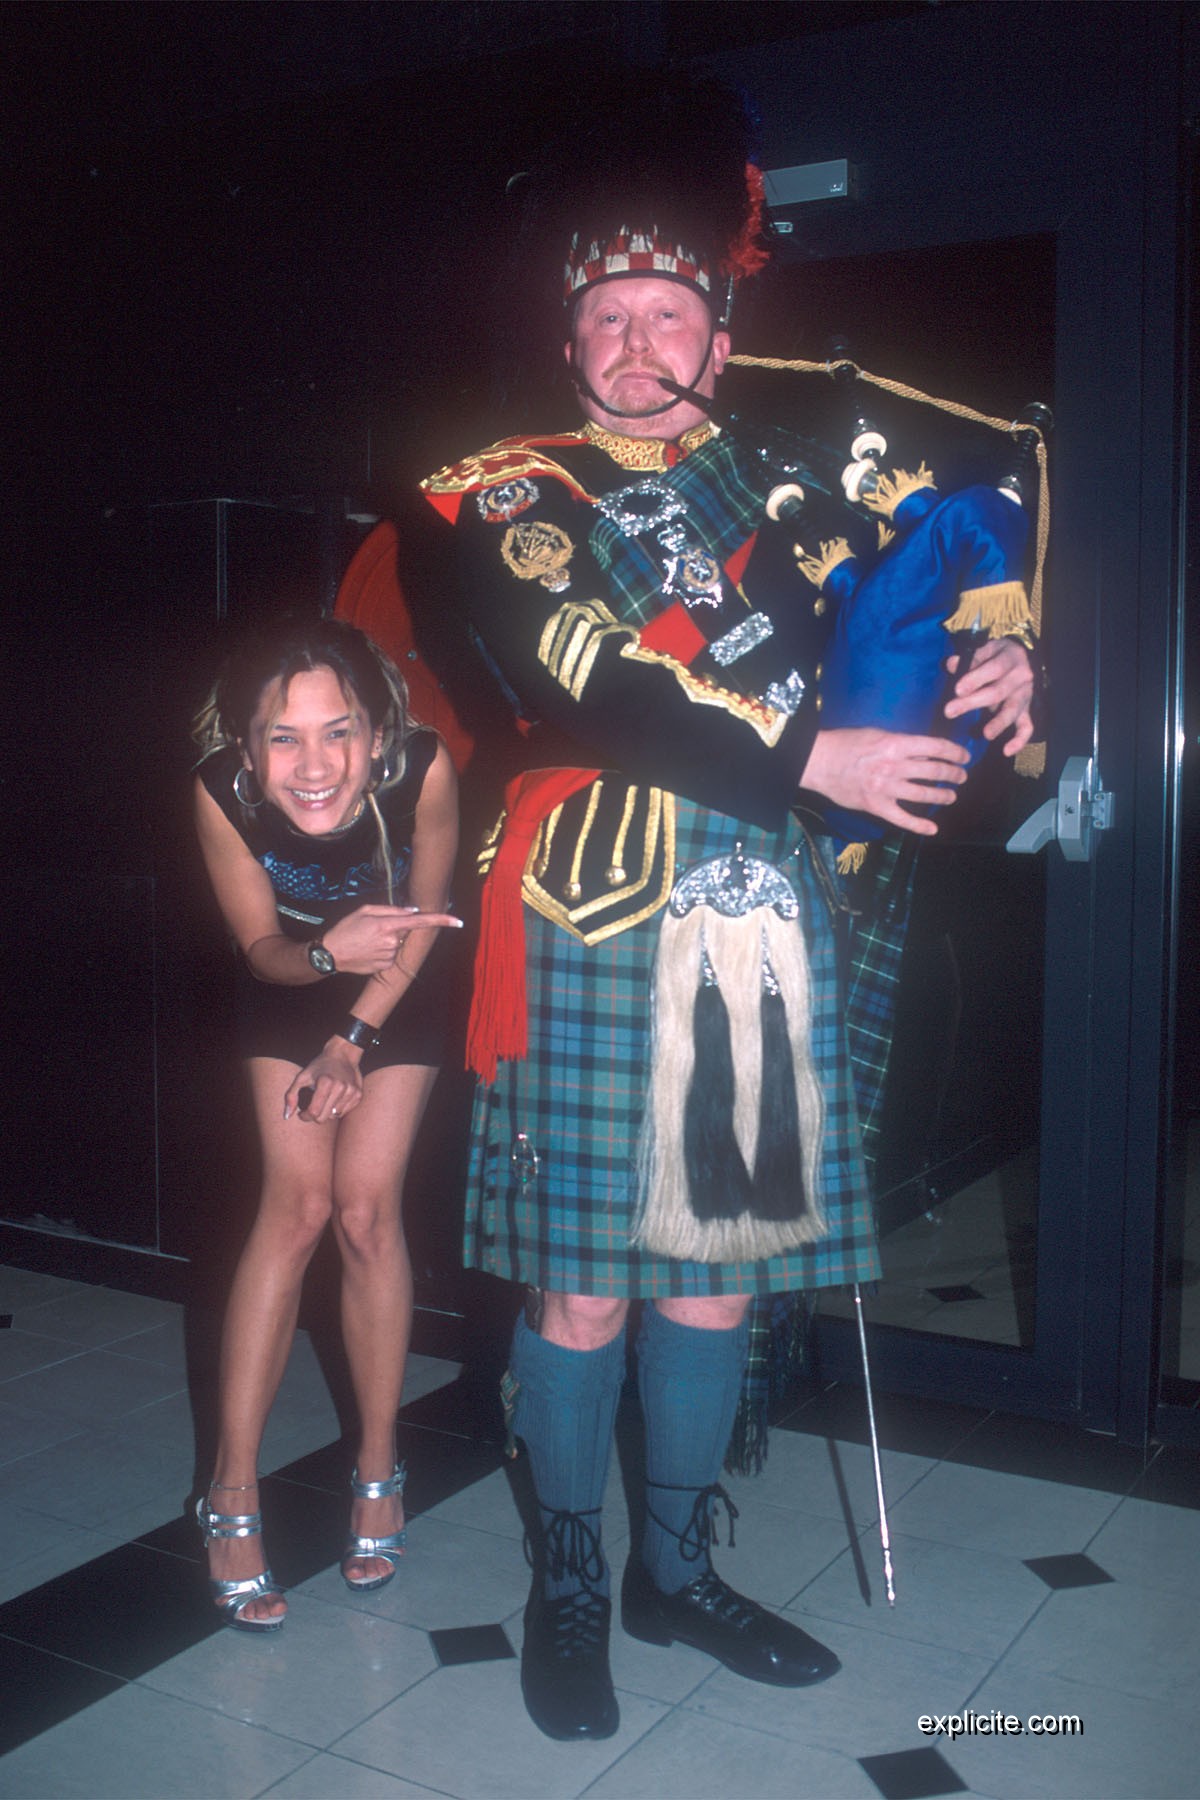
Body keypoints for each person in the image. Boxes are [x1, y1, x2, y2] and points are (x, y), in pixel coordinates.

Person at [421, 112, 1036, 1740]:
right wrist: (811, 755)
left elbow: (920, 597)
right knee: (583, 1288)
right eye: (605, 318)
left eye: (668, 314)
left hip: (757, 917)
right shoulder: (502, 492)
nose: (637, 343)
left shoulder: (794, 486)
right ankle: (569, 1582)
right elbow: (594, 675)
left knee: (711, 1284)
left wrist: (999, 658)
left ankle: (675, 1574)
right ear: (568, 344)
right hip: (591, 910)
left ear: (721, 335)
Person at [191, 614, 460, 1631]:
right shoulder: (219, 792)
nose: (314, 765)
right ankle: (229, 1490)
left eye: (337, 732)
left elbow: (427, 921)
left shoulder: (420, 770)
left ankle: (379, 1469)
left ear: (375, 735)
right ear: (247, 746)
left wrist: (351, 1038)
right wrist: (321, 959)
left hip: (401, 983)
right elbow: (259, 949)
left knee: (364, 1212)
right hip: (292, 981)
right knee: (297, 1207)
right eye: (284, 738)